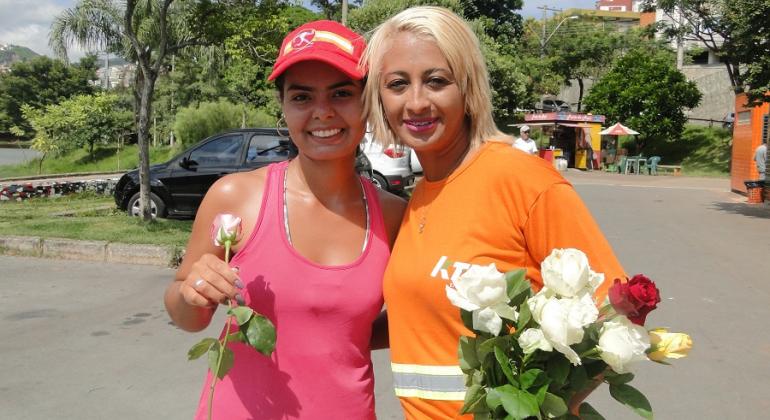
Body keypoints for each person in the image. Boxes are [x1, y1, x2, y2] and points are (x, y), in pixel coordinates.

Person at [361, 7, 627, 419]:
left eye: (436, 81)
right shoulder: (421, 196)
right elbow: (417, 317)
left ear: (468, 88)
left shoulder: (520, 179)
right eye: (398, 84)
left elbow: (617, 308)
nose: (416, 102)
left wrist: (545, 411)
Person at [164, 20, 405, 419]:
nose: (322, 112)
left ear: (368, 103)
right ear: (284, 107)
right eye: (301, 97)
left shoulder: (393, 215)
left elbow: (411, 319)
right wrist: (192, 292)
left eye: (342, 93)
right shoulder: (235, 197)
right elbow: (187, 316)